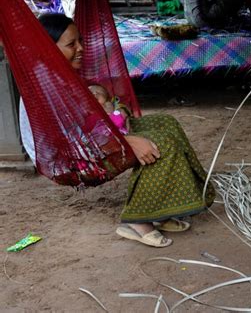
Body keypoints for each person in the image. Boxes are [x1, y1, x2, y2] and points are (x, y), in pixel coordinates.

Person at [19, 13, 215, 248]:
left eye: (80, 41)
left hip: (90, 140)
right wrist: (125, 140)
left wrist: (117, 111)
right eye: (72, 44)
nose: (81, 48)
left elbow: (93, 109)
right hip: (70, 160)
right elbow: (70, 141)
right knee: (158, 144)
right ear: (48, 49)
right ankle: (138, 221)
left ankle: (161, 211)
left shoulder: (60, 74)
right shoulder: (45, 87)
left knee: (166, 123)